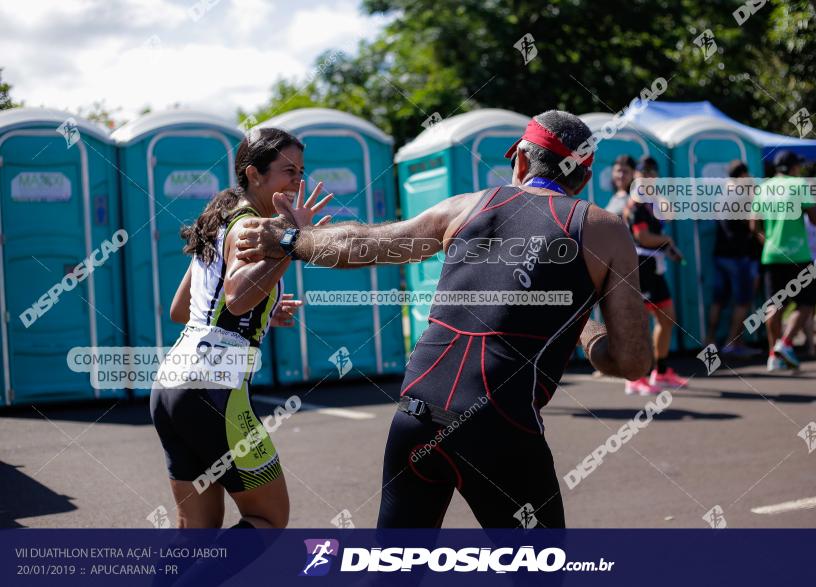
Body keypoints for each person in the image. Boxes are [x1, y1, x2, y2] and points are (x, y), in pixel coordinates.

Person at [235, 110, 653, 528]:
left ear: (521, 162)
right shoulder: (603, 229)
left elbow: (365, 243)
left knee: (394, 572)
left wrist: (289, 239)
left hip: (416, 415)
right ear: (583, 178)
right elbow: (632, 361)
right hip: (500, 424)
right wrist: (581, 323)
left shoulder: (465, 207)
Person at [149, 128, 332, 529]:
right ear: (253, 173)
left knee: (196, 530)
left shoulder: (220, 221)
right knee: (267, 518)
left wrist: (264, 310)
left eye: (301, 170)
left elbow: (183, 310)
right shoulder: (252, 227)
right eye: (288, 171)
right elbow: (236, 297)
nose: (299, 180)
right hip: (213, 388)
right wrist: (292, 239)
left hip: (171, 384)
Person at [620, 156, 689, 395]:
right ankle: (634, 376)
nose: (649, 177)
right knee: (638, 324)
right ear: (636, 175)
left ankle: (660, 371)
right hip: (639, 266)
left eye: (652, 173)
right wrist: (667, 241)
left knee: (666, 317)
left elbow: (667, 217)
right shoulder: (634, 204)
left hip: (654, 266)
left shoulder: (651, 201)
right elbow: (644, 238)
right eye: (644, 172)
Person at [750, 150, 816, 371]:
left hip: (771, 255)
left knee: (774, 304)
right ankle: (786, 342)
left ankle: (774, 355)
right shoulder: (799, 184)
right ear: (792, 168)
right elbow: (815, 218)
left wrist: (768, 243)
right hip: (798, 254)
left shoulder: (763, 188)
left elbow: (753, 225)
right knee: (808, 301)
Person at [705, 160, 760, 357]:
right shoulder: (743, 196)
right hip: (738, 257)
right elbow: (754, 221)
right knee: (742, 301)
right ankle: (732, 342)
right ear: (743, 175)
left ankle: (709, 339)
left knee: (718, 300)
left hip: (720, 255)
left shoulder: (723, 195)